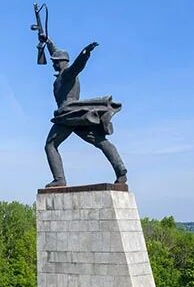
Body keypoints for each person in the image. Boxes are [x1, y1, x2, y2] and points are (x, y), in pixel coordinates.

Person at [39, 34, 128, 188]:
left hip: (68, 115)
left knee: (50, 145)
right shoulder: (63, 75)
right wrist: (48, 41)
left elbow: (77, 66)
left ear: (62, 62)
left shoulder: (67, 74)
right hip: (77, 116)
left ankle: (59, 179)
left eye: (55, 62)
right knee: (99, 141)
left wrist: (85, 54)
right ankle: (121, 170)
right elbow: (56, 52)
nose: (53, 64)